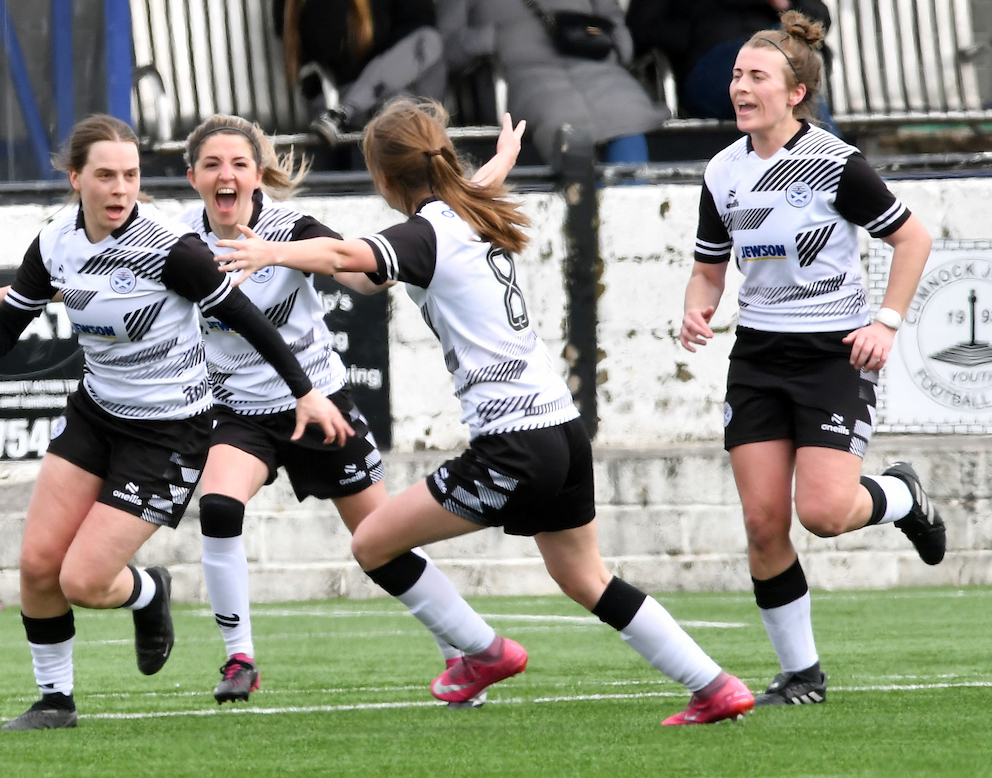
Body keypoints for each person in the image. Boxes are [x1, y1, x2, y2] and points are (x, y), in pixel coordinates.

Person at [0, 110, 528, 709]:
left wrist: (289, 258)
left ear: (258, 175)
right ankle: (240, 657)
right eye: (212, 165)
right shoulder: (178, 236)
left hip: (317, 400)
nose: (225, 175)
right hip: (236, 410)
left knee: (379, 538)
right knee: (221, 505)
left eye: (238, 164)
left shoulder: (292, 226)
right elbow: (94, 277)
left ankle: (458, 651)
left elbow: (371, 272)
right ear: (193, 176)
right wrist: (2, 300)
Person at [216, 97, 755, 725]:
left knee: (372, 544)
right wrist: (499, 162)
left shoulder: (430, 231)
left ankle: (484, 655)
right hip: (562, 427)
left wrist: (269, 254)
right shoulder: (465, 211)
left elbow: (343, 258)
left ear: (385, 178)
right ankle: (714, 685)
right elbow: (417, 230)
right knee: (587, 580)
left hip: (512, 444)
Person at [0, 113, 351, 731]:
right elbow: (14, 322)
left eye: (131, 176)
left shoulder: (172, 249)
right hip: (96, 415)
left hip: (170, 432)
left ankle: (148, 591)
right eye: (105, 176)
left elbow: (249, 318)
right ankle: (55, 701)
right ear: (76, 179)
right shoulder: (55, 239)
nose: (119, 189)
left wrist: (305, 392)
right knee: (36, 566)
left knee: (82, 579)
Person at [678, 13, 943, 707]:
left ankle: (903, 496)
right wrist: (697, 305)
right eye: (737, 75)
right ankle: (803, 674)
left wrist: (886, 323)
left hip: (833, 356)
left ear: (794, 92)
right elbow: (709, 268)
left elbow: (914, 239)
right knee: (765, 524)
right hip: (758, 356)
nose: (740, 87)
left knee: (823, 514)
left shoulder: (834, 163)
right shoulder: (722, 170)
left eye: (756, 76)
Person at [437, 0, 668, 167]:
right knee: (561, 119)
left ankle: (632, 197)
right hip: (526, 73)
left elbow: (611, 16)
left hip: (595, 63)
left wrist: (618, 42)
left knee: (626, 111)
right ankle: (587, 206)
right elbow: (446, 47)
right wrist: (488, 38)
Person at [626, 0, 835, 127]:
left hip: (777, 51)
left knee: (781, 67)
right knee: (779, 76)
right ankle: (829, 175)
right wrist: (698, 33)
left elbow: (819, 23)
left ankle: (822, 175)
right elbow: (641, 29)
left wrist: (783, 4)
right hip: (711, 62)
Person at [275, 0, 447, 146]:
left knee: (427, 41)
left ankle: (342, 113)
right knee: (399, 107)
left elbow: (420, 25)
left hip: (398, 83)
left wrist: (383, 62)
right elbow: (328, 50)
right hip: (340, 91)